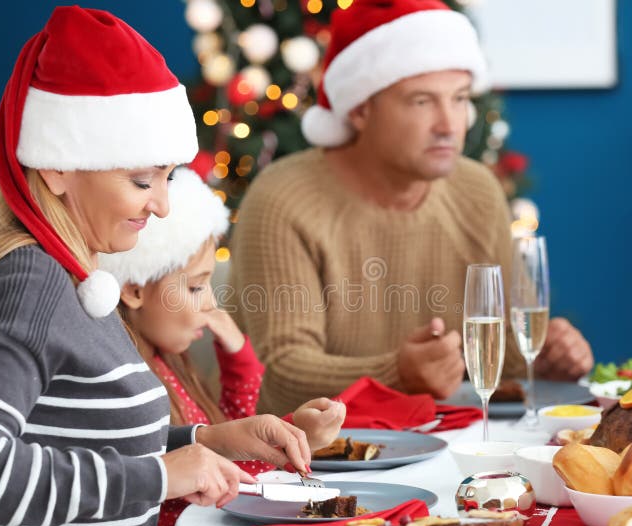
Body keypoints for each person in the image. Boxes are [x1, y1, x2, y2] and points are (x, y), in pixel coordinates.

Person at [0, 7, 311, 526]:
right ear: (57, 169)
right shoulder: (29, 287)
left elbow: (75, 439)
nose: (162, 204)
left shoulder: (76, 282)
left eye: (167, 177)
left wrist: (206, 442)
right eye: (141, 180)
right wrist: (157, 476)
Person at [229, 0, 594, 415]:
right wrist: (395, 373)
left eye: (458, 99)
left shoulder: (477, 190)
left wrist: (543, 359)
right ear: (361, 108)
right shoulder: (284, 199)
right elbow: (280, 372)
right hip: (312, 460)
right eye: (422, 102)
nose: (449, 125)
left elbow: (500, 353)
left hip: (447, 440)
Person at [98, 167, 345, 526]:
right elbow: (224, 471)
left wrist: (240, 362)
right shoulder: (136, 387)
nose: (211, 302)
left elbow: (227, 431)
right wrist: (291, 437)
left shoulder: (169, 363)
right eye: (196, 286)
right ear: (134, 288)